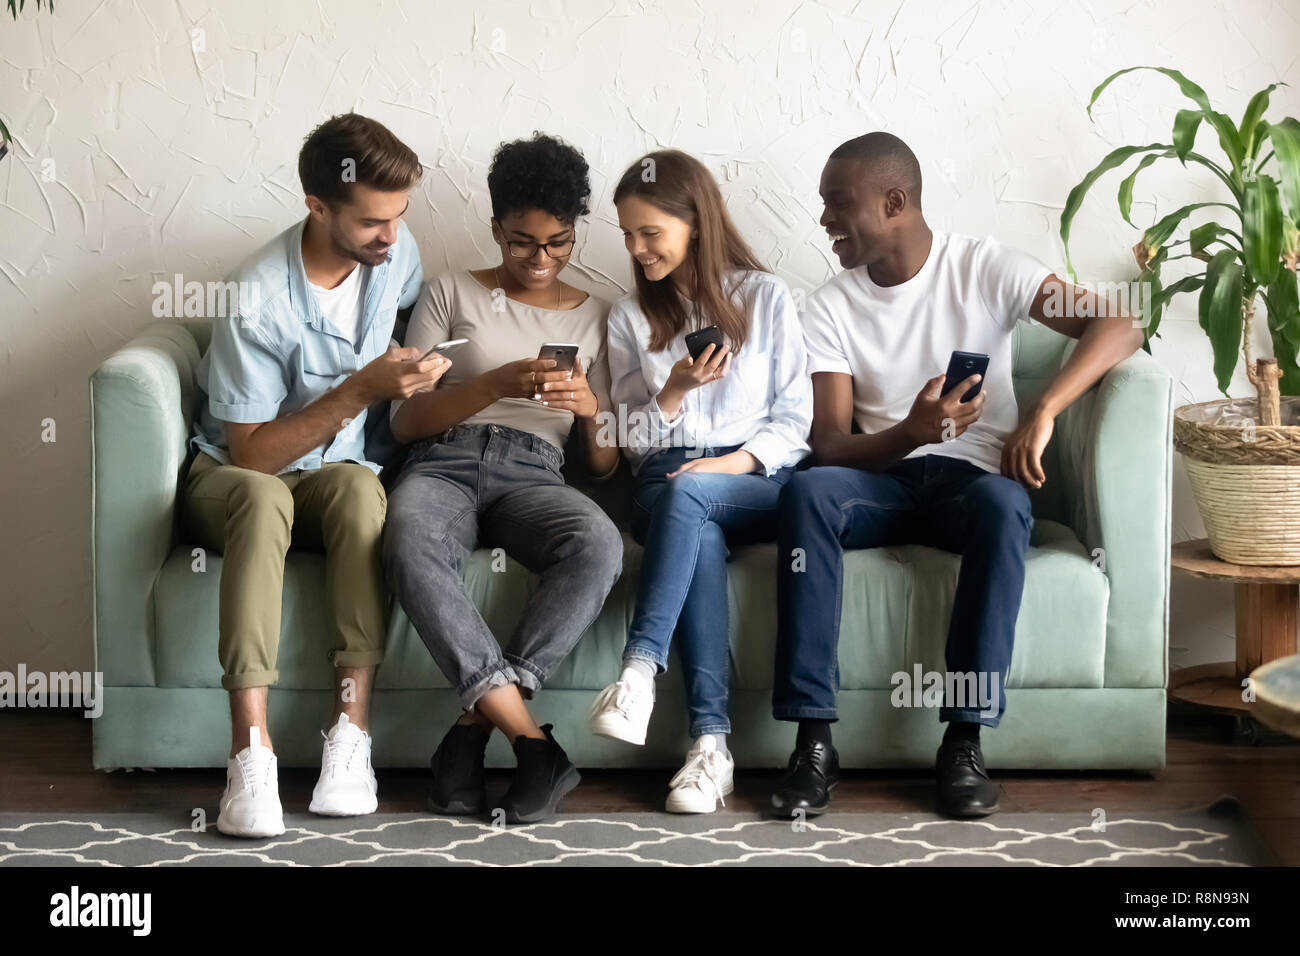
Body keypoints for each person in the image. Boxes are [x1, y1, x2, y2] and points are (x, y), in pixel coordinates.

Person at [770, 132, 1144, 819]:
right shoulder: (828, 306)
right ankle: (813, 742)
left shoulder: (987, 268)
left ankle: (963, 743)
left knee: (1004, 507)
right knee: (807, 490)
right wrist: (911, 432)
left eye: (837, 203)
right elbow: (826, 445)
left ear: (894, 201)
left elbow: (1121, 322)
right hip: (881, 483)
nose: (823, 220)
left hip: (973, 487)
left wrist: (1044, 408)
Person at [185, 113, 443, 838]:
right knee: (267, 498)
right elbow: (253, 456)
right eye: (371, 222)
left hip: (334, 471)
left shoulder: (395, 251)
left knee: (364, 490)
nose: (390, 237)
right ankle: (251, 757)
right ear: (317, 207)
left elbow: (394, 327)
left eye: (399, 217)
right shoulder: (254, 295)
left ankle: (350, 738)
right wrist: (361, 390)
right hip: (236, 478)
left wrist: (417, 372)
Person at [383, 132, 624, 825]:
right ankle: (532, 744)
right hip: (444, 460)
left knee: (598, 544)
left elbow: (603, 466)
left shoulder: (596, 315)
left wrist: (589, 413)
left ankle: (469, 736)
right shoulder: (450, 292)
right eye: (522, 242)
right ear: (495, 229)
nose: (540, 259)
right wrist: (489, 384)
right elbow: (404, 423)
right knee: (406, 538)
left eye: (558, 242)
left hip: (535, 470)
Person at [588, 150, 812, 813]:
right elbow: (629, 445)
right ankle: (711, 749)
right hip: (664, 482)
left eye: (648, 232)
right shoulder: (629, 318)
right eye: (626, 233)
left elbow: (797, 422)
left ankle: (638, 670)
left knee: (696, 495)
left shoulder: (766, 298)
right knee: (694, 525)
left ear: (695, 222)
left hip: (753, 479)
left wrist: (730, 464)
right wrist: (673, 392)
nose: (635, 247)